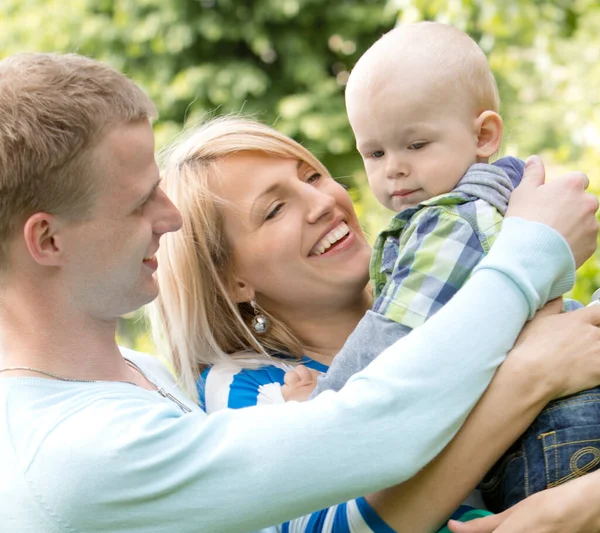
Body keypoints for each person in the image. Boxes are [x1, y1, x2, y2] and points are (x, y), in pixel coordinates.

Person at [0, 53, 597, 533]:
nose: (171, 219)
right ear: (47, 239)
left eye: (312, 175)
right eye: (139, 203)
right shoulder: (78, 455)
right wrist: (530, 264)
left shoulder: (135, 374)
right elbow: (375, 434)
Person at [151, 116, 600, 532]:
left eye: (311, 176)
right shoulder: (252, 389)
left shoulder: (445, 285)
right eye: (274, 210)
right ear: (232, 280)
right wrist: (531, 375)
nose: (321, 202)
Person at [267, 21, 597, 512]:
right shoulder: (507, 198)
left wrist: (322, 408)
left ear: (484, 135)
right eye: (374, 152)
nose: (393, 168)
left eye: (415, 145)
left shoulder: (450, 223)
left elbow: (397, 336)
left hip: (548, 436)